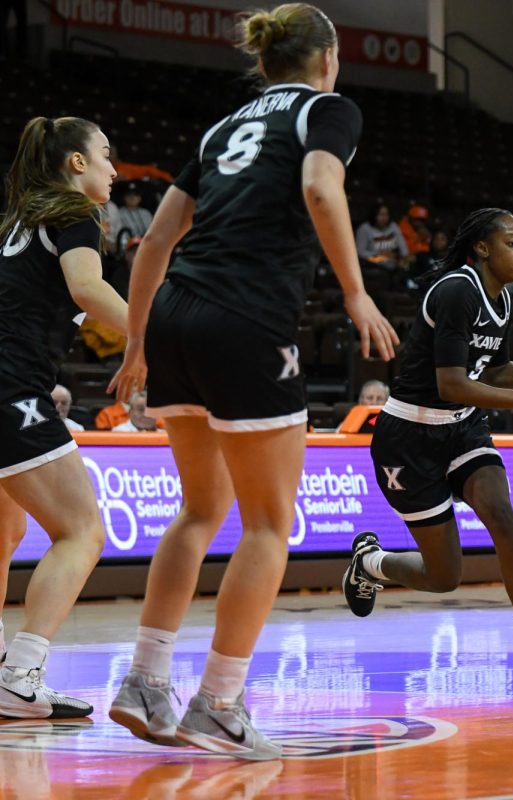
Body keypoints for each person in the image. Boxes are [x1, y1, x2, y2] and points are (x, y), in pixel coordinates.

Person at [107, 4, 398, 760]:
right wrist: (357, 291)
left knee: (200, 510)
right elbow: (321, 189)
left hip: (174, 314)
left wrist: (137, 341)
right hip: (246, 317)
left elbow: (157, 239)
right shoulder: (329, 109)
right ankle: (219, 702)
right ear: (327, 58)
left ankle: (144, 680)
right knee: (270, 523)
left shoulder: (220, 128)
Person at [341, 208, 513, 691]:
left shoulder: (502, 300)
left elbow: (491, 371)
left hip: (462, 430)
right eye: (512, 243)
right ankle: (369, 563)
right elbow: (451, 383)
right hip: (408, 437)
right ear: (482, 248)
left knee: (503, 515)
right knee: (443, 575)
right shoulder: (456, 290)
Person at [0, 114, 128, 718]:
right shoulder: (73, 213)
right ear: (75, 163)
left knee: (4, 535)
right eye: (105, 154)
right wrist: (160, 338)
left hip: (18, 385)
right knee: (81, 532)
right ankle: (19, 675)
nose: (114, 166)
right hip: (10, 390)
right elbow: (87, 289)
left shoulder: (17, 219)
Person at [354, 202, 408, 270]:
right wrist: (378, 254)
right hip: (373, 258)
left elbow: (402, 245)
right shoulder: (364, 228)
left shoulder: (393, 226)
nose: (384, 218)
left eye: (386, 215)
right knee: (388, 263)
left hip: (392, 257)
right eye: (381, 215)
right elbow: (360, 252)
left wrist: (405, 257)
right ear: (374, 215)